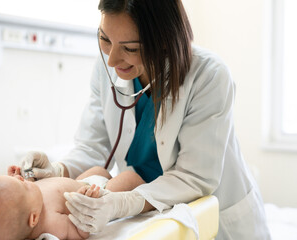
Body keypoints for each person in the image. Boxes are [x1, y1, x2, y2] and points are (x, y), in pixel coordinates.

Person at [17, 0, 271, 239]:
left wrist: (122, 202)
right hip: (151, 220)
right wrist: (56, 170)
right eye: (105, 39)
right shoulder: (107, 67)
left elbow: (194, 177)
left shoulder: (209, 76)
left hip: (215, 219)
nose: (113, 59)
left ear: (164, 41)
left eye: (130, 48)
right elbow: (92, 147)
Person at [0, 166, 145, 240]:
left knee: (99, 169)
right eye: (23, 185)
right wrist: (88, 199)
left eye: (18, 179)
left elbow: (14, 195)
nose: (22, 178)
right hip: (99, 193)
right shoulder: (51, 224)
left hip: (82, 180)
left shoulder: (25, 203)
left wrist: (14, 180)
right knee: (130, 176)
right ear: (33, 218)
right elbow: (79, 230)